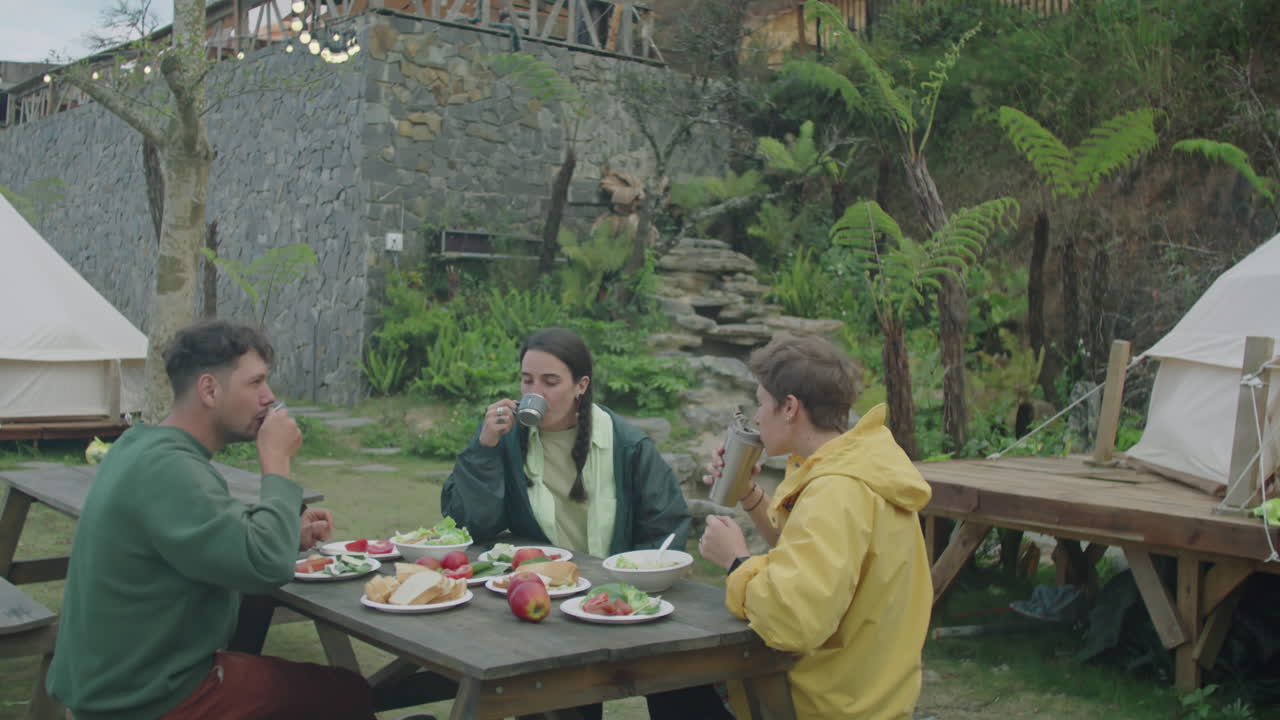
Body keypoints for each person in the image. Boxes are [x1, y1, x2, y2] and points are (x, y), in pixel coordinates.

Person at [46, 320, 377, 720]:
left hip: (115, 682)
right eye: (255, 383)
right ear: (209, 389)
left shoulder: (141, 447)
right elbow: (265, 567)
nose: (269, 398)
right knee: (346, 694)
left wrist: (284, 531)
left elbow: (212, 534)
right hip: (144, 698)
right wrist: (276, 461)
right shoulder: (170, 469)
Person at [440, 326, 728, 720]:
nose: (535, 392)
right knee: (550, 700)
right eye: (527, 380)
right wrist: (483, 447)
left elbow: (667, 529)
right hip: (546, 604)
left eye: (550, 381)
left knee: (678, 689)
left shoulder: (627, 445)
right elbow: (471, 527)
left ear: (581, 385)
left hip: (620, 604)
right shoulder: (505, 441)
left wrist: (628, 591)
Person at [699, 333, 933, 720]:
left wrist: (737, 562)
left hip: (828, 704)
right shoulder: (864, 462)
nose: (757, 417)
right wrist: (749, 494)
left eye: (761, 403)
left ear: (789, 407)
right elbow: (814, 558)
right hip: (876, 693)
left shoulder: (835, 491)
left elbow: (792, 622)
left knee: (678, 686)